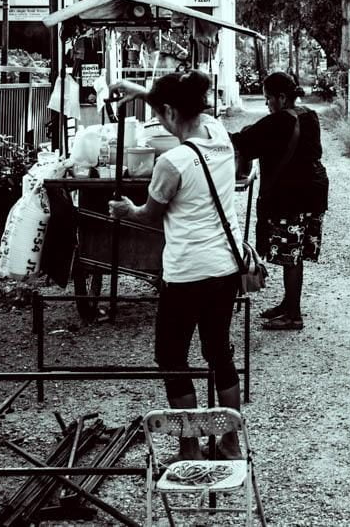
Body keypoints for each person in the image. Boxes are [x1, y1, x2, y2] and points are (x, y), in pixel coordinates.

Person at [107, 71, 242, 461]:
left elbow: (149, 215)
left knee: (172, 357)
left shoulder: (172, 162)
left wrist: (125, 210)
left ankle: (190, 447)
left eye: (159, 114)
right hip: (225, 268)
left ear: (168, 111)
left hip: (185, 273)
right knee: (219, 352)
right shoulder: (219, 135)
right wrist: (138, 91)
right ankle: (230, 442)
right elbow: (177, 102)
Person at [232, 72, 329, 331]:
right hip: (314, 194)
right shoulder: (309, 115)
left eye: (268, 99)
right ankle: (288, 304)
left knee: (291, 256)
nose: (267, 105)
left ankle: (293, 315)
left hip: (293, 198)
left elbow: (243, 143)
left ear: (281, 97)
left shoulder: (276, 123)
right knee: (293, 254)